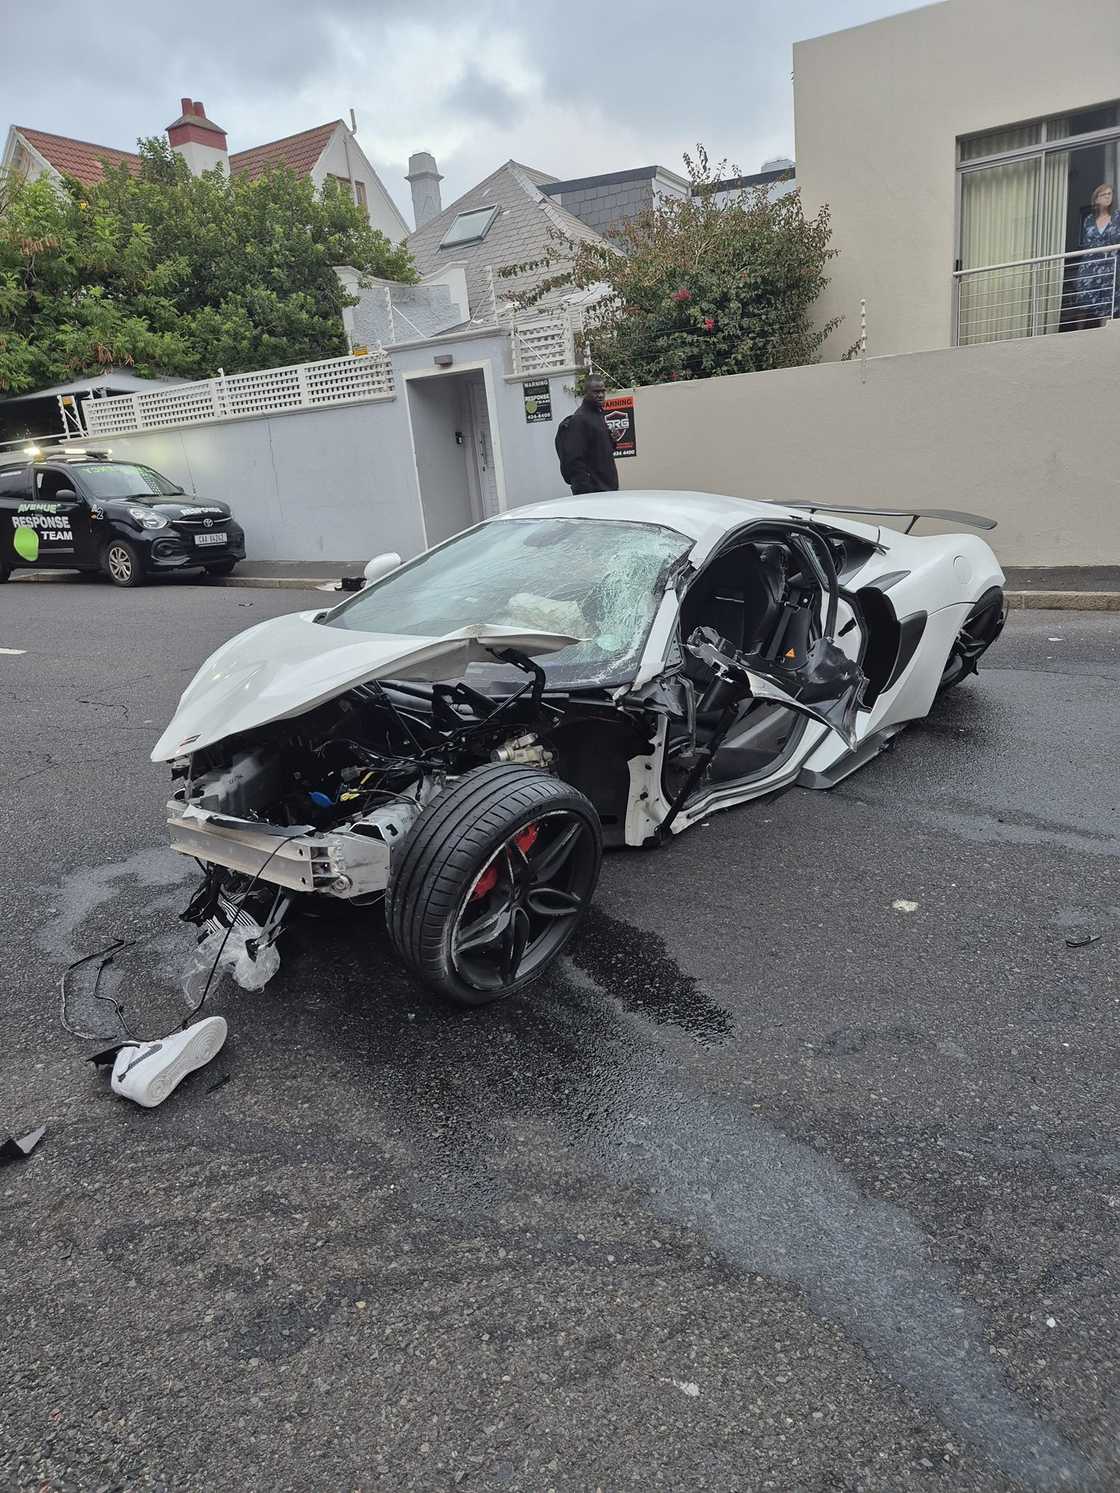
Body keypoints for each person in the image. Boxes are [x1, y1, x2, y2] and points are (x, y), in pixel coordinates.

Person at [555, 377, 619, 495]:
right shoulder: (580, 419)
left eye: (602, 391)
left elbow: (599, 452)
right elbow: (574, 460)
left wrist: (611, 441)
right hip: (593, 493)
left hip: (608, 489)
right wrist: (586, 491)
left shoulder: (598, 415)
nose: (600, 395)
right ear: (586, 392)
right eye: (596, 392)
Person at [1074, 183, 1120, 325]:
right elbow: (1085, 243)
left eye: (1109, 194)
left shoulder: (1117, 216)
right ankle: (1078, 332)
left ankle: (1104, 333)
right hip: (1090, 265)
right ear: (1096, 199)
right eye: (1104, 194)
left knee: (1107, 302)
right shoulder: (1088, 220)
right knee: (1083, 300)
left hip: (1110, 265)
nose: (1108, 197)